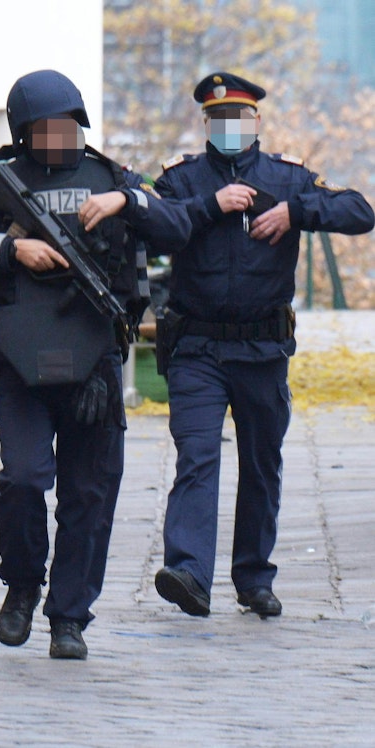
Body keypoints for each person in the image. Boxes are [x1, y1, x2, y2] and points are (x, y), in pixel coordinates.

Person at [0, 70, 191, 659]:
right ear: (26, 132)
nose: (61, 136)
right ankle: (22, 585)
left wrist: (128, 199)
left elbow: (178, 227)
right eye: (48, 127)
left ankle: (69, 616)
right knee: (24, 481)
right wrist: (11, 248)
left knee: (90, 494)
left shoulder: (111, 178)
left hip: (94, 363)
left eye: (69, 125)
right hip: (23, 365)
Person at [152, 72, 374, 619]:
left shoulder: (286, 177)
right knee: (197, 458)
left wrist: (295, 212)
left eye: (240, 118)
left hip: (262, 353)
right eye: (219, 119)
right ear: (205, 123)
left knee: (261, 465)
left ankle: (253, 578)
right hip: (198, 349)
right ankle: (189, 573)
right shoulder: (182, 181)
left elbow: (359, 212)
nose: (230, 128)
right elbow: (152, 228)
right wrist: (211, 205)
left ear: (256, 122)